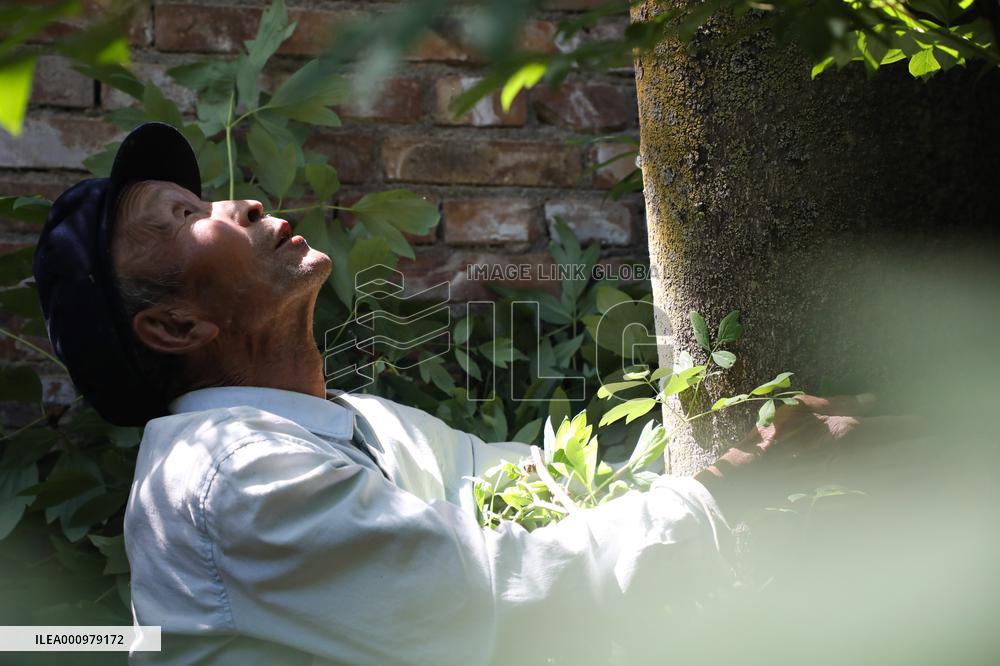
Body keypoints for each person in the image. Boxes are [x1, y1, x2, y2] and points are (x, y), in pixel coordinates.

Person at [33, 123, 909, 665]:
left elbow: (536, 492)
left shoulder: (366, 429)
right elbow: (509, 593)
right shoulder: (226, 482)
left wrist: (760, 462)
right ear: (176, 329)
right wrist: (745, 482)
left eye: (202, 197)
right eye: (184, 219)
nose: (242, 204)